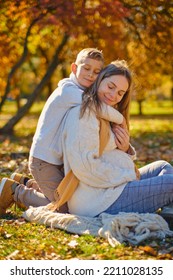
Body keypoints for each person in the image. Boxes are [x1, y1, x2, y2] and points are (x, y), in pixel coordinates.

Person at [0, 52, 126, 215]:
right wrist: (121, 118)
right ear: (74, 68)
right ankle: (14, 191)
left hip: (55, 161)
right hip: (44, 161)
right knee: (62, 207)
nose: (90, 74)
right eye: (86, 68)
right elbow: (96, 107)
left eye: (96, 72)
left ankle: (25, 182)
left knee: (67, 196)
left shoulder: (82, 91)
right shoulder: (68, 91)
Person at [49, 60, 173, 218]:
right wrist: (128, 176)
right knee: (171, 183)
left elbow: (110, 155)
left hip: (113, 187)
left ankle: (169, 212)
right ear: (99, 81)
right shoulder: (84, 114)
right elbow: (86, 168)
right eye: (110, 86)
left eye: (120, 92)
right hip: (97, 200)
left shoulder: (105, 113)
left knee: (163, 166)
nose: (114, 95)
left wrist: (125, 149)